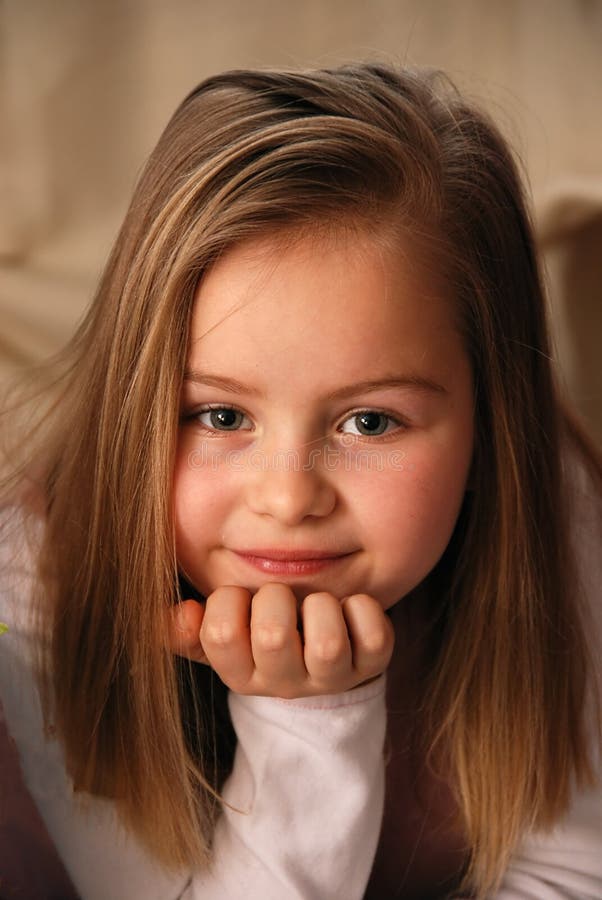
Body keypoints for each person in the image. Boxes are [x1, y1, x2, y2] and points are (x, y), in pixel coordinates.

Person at [0, 63, 600, 900]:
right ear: (139, 405)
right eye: (218, 417)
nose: (287, 500)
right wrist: (311, 719)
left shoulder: (553, 506)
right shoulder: (43, 581)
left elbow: (573, 871)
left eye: (370, 422)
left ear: (490, 423)